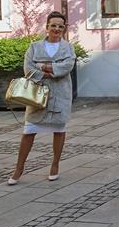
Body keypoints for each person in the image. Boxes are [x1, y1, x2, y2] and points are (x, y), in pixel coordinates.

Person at [8, 12, 76, 185]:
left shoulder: (68, 48)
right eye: (53, 25)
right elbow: (28, 68)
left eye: (60, 26)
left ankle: (55, 165)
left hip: (60, 95)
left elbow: (67, 66)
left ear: (64, 29)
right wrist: (49, 72)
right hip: (36, 95)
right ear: (47, 27)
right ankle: (19, 168)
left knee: (59, 130)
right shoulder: (34, 47)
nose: (56, 29)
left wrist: (45, 66)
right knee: (29, 130)